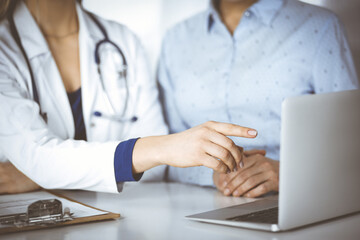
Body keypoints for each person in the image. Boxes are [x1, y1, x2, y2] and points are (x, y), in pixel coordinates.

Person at [0, 0, 258, 194]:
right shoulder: (5, 48)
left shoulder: (123, 41)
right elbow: (37, 156)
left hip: (117, 218)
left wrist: (44, 175)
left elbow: (155, 168)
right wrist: (161, 148)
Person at [158, 0, 359, 197]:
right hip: (194, 206)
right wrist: (214, 174)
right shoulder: (175, 39)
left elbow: (351, 145)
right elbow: (167, 151)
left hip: (295, 202)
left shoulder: (319, 26)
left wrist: (291, 174)